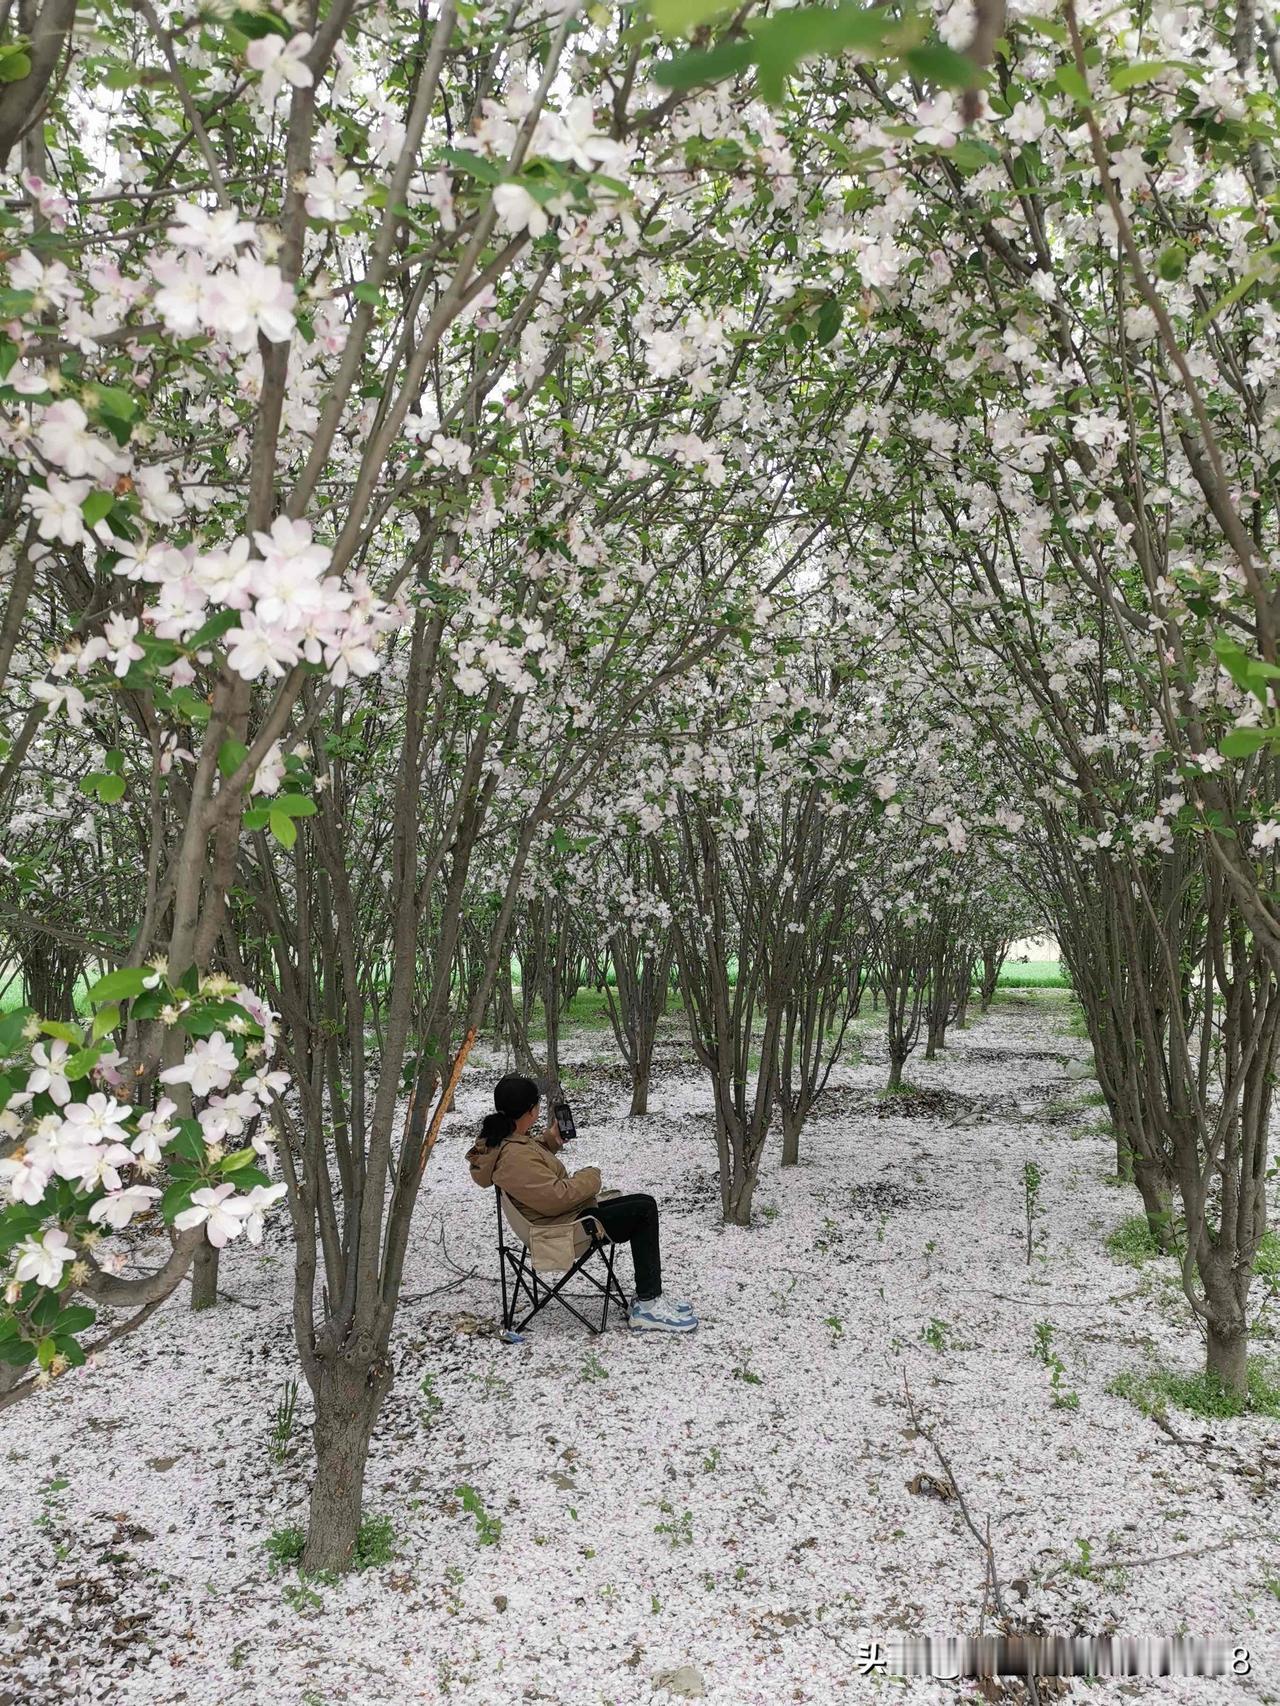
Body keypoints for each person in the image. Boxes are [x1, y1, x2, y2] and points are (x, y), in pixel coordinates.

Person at [466, 1073, 697, 1333]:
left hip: (560, 1218)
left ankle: (649, 1296)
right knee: (643, 1211)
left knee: (643, 1202)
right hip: (559, 1230)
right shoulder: (513, 1156)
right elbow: (556, 1197)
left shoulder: (508, 1140)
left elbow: (530, 1160)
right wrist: (591, 1176)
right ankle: (648, 1305)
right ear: (531, 1111)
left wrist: (551, 1140)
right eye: (538, 1104)